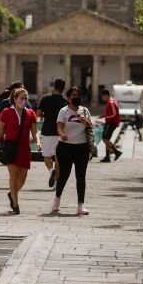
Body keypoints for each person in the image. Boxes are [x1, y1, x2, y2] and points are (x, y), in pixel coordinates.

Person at [0, 87, 41, 215]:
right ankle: (16, 205)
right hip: (11, 148)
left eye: (25, 98)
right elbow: (0, 131)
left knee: (22, 178)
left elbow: (35, 132)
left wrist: (38, 142)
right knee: (13, 176)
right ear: (15, 99)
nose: (23, 101)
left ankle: (12, 194)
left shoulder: (30, 113)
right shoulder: (6, 112)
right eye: (21, 98)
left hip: (25, 149)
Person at [52, 87, 93, 215]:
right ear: (68, 98)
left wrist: (86, 122)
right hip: (65, 147)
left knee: (81, 176)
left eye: (78, 95)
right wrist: (61, 134)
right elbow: (59, 126)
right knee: (64, 174)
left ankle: (81, 205)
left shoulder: (85, 111)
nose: (76, 97)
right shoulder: (63, 111)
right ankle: (57, 199)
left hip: (82, 147)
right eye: (73, 95)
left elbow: (91, 127)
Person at [37, 78, 68, 189]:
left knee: (46, 156)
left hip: (48, 131)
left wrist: (46, 115)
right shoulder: (65, 100)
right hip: (61, 132)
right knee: (58, 158)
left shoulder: (45, 98)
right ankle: (56, 183)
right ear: (63, 88)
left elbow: (38, 113)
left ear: (54, 86)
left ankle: (51, 171)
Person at [98, 89, 122, 162]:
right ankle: (107, 157)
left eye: (103, 96)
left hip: (111, 123)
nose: (103, 98)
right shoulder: (110, 101)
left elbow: (114, 114)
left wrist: (105, 117)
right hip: (109, 122)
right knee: (106, 139)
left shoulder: (111, 102)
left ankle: (116, 152)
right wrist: (103, 116)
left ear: (105, 95)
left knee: (105, 139)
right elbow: (111, 113)